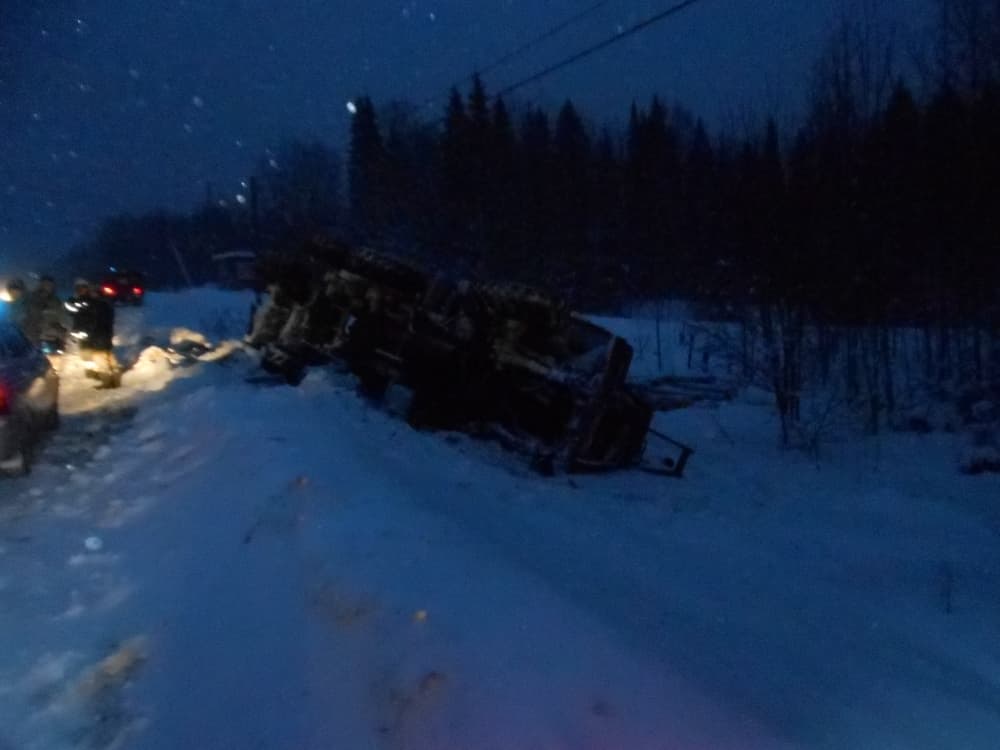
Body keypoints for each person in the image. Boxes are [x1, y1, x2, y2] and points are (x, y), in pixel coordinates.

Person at [65, 278, 120, 387]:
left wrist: (91, 331)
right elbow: (72, 311)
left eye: (84, 288)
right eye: (78, 288)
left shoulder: (100, 303)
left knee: (101, 359)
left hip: (99, 337)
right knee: (88, 358)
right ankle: (97, 376)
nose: (81, 290)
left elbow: (102, 321)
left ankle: (109, 382)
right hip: (87, 337)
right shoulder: (80, 301)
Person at [23, 275, 67, 352]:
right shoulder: (31, 298)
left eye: (50, 285)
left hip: (51, 338)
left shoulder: (56, 301)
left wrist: (61, 331)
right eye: (45, 284)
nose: (47, 287)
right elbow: (27, 316)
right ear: (41, 284)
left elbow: (60, 317)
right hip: (33, 336)